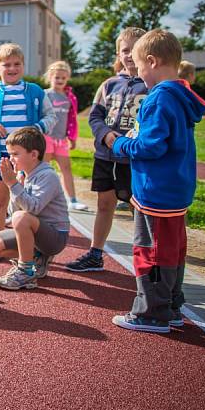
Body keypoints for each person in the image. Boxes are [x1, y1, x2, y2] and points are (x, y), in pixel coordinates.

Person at [107, 30, 205, 333]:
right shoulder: (180, 94)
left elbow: (151, 146)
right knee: (173, 250)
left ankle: (152, 312)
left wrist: (119, 144)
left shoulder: (160, 98)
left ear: (151, 61)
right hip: (175, 189)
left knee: (150, 250)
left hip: (156, 190)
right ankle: (171, 306)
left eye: (139, 66)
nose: (138, 73)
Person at [65, 27, 147, 273]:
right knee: (104, 203)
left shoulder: (152, 85)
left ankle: (144, 259)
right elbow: (96, 116)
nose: (130, 55)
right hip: (105, 156)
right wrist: (106, 135)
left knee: (138, 208)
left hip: (134, 158)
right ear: (118, 54)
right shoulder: (109, 84)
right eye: (125, 50)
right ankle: (95, 253)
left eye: (135, 50)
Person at [0, 43, 55, 238]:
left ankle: (24, 246)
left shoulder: (35, 91)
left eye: (17, 64)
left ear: (23, 66)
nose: (12, 69)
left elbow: (50, 116)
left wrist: (38, 128)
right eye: (6, 65)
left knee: (25, 203)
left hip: (28, 158)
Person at [0, 128, 70, 290]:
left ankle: (25, 271)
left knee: (21, 218)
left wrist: (12, 184)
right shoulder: (24, 174)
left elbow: (32, 209)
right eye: (10, 154)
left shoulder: (47, 175)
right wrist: (15, 184)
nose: (10, 159)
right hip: (34, 232)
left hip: (55, 237)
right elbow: (14, 212)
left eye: (15, 154)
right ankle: (37, 258)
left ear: (34, 155)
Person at [42, 61, 87, 211]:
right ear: (50, 77)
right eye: (57, 78)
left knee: (66, 168)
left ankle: (72, 200)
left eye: (63, 78)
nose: (60, 81)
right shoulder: (45, 94)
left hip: (61, 140)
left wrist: (72, 138)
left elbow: (72, 118)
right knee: (44, 169)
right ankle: (42, 198)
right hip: (46, 138)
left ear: (67, 78)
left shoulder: (69, 98)